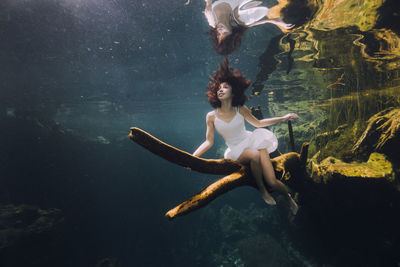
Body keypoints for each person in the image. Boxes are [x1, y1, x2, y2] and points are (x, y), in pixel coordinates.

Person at [193, 58, 299, 215]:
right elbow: (208, 141)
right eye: (219, 88)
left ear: (233, 91)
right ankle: (263, 191)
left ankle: (289, 198)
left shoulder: (240, 109)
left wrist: (284, 117)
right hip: (235, 150)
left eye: (225, 87)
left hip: (251, 141)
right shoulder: (211, 116)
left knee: (273, 181)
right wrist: (192, 157)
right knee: (254, 155)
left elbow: (259, 123)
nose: (220, 90)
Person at [204, 0, 294, 55]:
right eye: (224, 33)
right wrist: (274, 21)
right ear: (232, 33)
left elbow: (208, 5)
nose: (220, 30)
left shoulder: (212, 21)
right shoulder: (238, 22)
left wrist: (208, 5)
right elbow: (249, 25)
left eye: (218, 34)